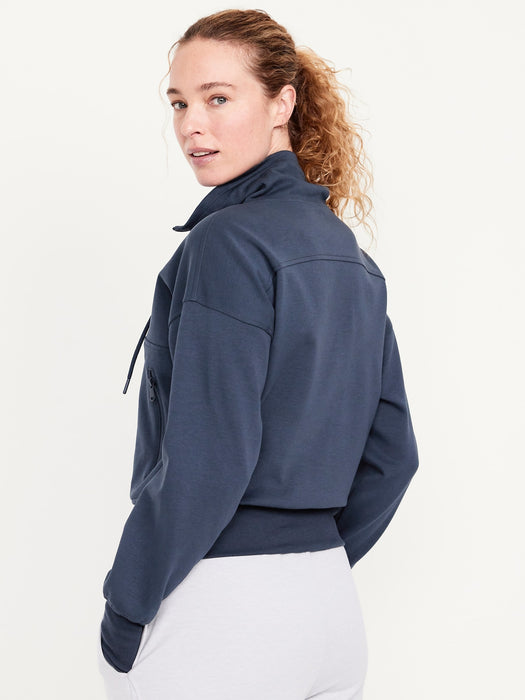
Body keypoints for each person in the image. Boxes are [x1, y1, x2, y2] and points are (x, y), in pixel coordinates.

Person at [97, 8, 419, 700]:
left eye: (217, 98)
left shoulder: (226, 244)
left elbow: (209, 457)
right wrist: (308, 560)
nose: (192, 125)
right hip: (329, 612)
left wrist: (125, 607)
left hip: (226, 613)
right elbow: (393, 455)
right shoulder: (351, 258)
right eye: (179, 103)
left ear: (282, 104)